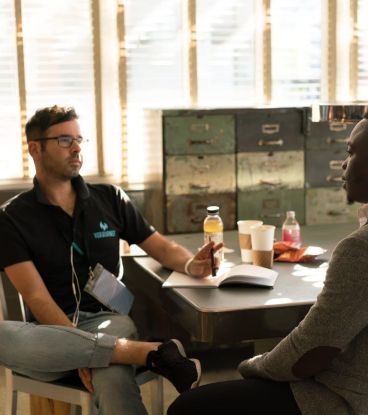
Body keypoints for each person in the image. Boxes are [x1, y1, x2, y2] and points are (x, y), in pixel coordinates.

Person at [167, 101, 368, 415]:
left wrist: (252, 366)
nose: (343, 164)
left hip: (349, 403)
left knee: (188, 407)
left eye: (351, 153)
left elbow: (307, 355)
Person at [0, 105, 221, 415]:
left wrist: (191, 265)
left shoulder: (110, 198)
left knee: (110, 369)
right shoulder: (11, 217)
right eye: (65, 140)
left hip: (110, 321)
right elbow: (36, 297)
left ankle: (122, 353)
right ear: (35, 148)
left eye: (79, 139)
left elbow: (161, 247)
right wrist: (79, 351)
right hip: (50, 335)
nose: (76, 147)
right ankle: (154, 353)